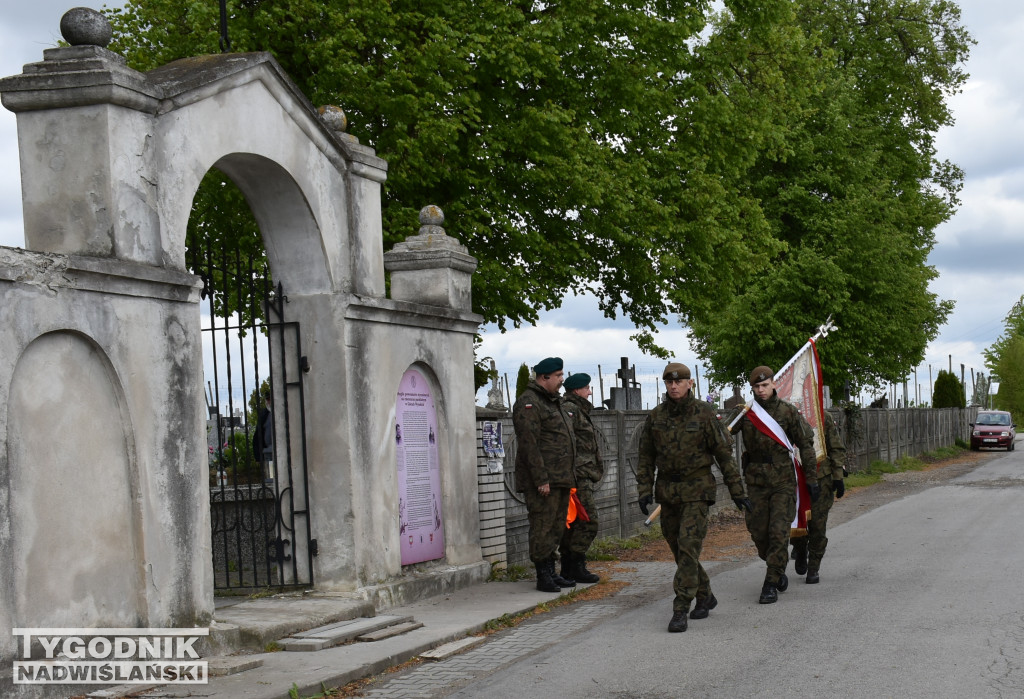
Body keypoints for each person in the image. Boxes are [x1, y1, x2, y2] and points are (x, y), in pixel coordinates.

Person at [637, 362, 752, 633]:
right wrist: (643, 490)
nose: (674, 386)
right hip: (668, 493)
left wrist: (737, 491)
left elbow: (724, 455)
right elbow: (645, 458)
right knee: (680, 551)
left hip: (697, 491)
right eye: (669, 382)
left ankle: (680, 608)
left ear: (690, 383)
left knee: (688, 548)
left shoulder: (704, 414)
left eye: (679, 381)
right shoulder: (656, 417)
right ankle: (705, 594)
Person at [729, 365, 818, 604]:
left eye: (765, 385)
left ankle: (770, 583)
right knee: (759, 534)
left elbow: (806, 445)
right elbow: (722, 437)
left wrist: (811, 478)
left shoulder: (787, 412)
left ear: (774, 383)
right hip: (756, 482)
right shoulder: (746, 412)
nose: (761, 390)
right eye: (756, 387)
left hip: (783, 481)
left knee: (779, 533)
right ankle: (776, 569)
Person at [513, 357, 578, 593]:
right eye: (558, 376)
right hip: (543, 481)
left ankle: (551, 571)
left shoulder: (553, 402)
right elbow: (529, 444)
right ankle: (543, 575)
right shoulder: (529, 403)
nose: (562, 380)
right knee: (542, 525)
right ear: (544, 377)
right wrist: (541, 479)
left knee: (555, 527)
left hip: (560, 478)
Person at [791, 410, 846, 584]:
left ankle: (814, 566)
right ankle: (800, 549)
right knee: (797, 522)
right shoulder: (786, 414)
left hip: (821, 477)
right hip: (795, 479)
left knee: (817, 525)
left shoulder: (823, 416)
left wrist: (838, 476)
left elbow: (835, 448)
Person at [558, 372, 602, 585]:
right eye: (587, 388)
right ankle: (574, 564)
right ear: (577, 390)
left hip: (583, 474)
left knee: (577, 522)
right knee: (588, 520)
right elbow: (566, 443)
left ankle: (570, 567)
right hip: (577, 475)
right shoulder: (570, 410)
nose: (590, 392)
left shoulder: (579, 409)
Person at [253, 387, 274, 483]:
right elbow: (258, 436)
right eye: (268, 399)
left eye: (271, 399)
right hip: (267, 453)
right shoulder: (264, 414)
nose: (269, 401)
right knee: (271, 478)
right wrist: (258, 456)